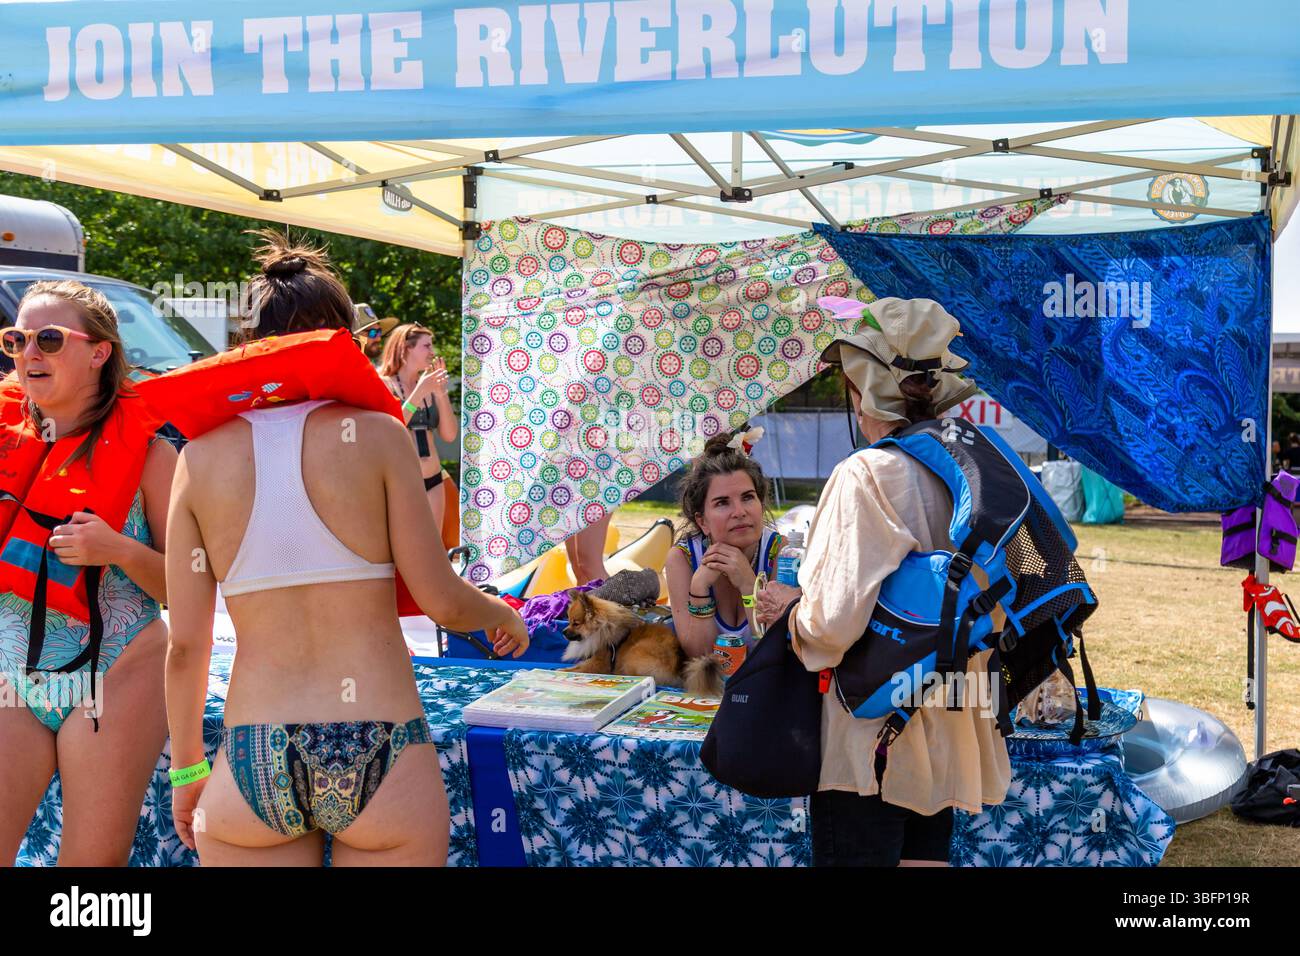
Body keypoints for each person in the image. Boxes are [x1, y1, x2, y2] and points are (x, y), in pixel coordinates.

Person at [165, 232, 528, 866]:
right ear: (344, 343)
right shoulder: (381, 435)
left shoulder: (197, 460)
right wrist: (503, 615)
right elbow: (443, 600)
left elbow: (186, 646)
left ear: (248, 346)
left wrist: (187, 772)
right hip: (382, 744)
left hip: (253, 754)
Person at [757, 297, 1011, 868]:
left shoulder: (866, 472)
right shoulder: (973, 461)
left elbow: (830, 628)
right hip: (953, 715)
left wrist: (791, 612)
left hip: (872, 733)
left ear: (868, 388)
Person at [0, 280, 177, 865]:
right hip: (12, 671)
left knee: (89, 875)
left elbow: (192, 586)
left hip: (118, 668)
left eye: (49, 339)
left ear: (100, 351)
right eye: (17, 338)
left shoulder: (154, 453)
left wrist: (120, 550)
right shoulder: (7, 439)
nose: (29, 354)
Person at [665, 434, 784, 658]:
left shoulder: (781, 553)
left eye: (748, 497)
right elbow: (699, 656)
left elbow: (775, 653)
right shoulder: (683, 558)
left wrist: (749, 586)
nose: (740, 512)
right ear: (702, 522)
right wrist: (699, 587)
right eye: (722, 503)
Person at [379, 324, 458, 533]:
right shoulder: (384, 384)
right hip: (403, 481)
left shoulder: (430, 386)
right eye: (427, 346)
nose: (432, 353)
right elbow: (391, 427)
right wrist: (420, 391)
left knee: (433, 544)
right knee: (406, 545)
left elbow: (449, 435)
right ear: (406, 348)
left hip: (434, 478)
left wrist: (440, 393)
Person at [566, 514, 611, 587]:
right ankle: (585, 596)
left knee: (588, 565)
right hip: (571, 505)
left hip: (591, 505)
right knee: (579, 571)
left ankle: (612, 596)